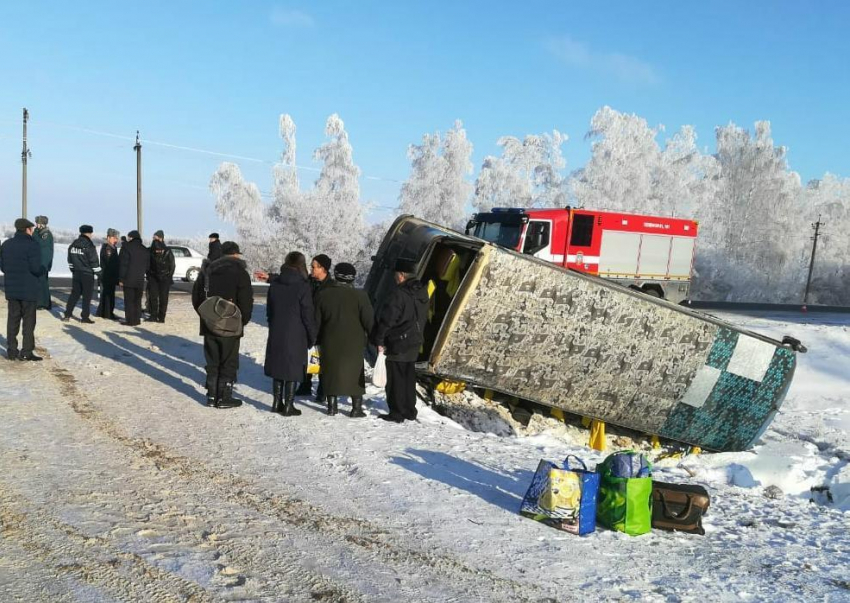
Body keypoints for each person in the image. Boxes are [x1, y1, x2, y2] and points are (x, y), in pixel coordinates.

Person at [192, 241, 253, 408]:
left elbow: (196, 297)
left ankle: (211, 395)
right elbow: (246, 301)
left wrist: (205, 315)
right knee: (228, 361)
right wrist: (242, 321)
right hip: (231, 325)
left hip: (208, 324)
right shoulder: (240, 273)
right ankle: (224, 396)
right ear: (235, 254)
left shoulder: (207, 271)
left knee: (212, 361)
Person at [370, 258, 429, 423]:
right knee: (408, 377)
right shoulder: (422, 292)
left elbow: (388, 320)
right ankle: (410, 410)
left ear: (402, 275)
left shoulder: (399, 294)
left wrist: (379, 339)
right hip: (415, 341)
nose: (395, 277)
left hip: (397, 341)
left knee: (395, 378)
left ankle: (396, 412)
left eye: (396, 274)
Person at [314, 261, 374, 417]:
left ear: (335, 275)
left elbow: (316, 321)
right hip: (354, 342)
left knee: (330, 372)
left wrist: (314, 339)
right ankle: (356, 409)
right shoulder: (360, 296)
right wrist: (377, 340)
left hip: (329, 340)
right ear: (352, 278)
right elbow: (369, 321)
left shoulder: (323, 295)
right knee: (355, 374)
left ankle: (332, 407)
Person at [263, 252, 317, 416]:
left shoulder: (275, 284)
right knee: (292, 368)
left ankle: (276, 402)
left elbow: (269, 310)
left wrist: (273, 324)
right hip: (296, 332)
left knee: (278, 366)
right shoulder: (303, 286)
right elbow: (307, 314)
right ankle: (289, 405)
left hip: (277, 329)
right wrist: (312, 335)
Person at [0, 218, 47, 361]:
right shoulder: (33, 245)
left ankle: (12, 351)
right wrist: (42, 270)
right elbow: (35, 268)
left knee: (12, 320)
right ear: (27, 229)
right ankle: (26, 351)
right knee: (28, 322)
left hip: (12, 290)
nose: (32, 231)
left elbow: (3, 267)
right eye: (31, 229)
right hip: (28, 290)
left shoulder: (6, 245)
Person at [63, 225, 101, 324]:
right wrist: (100, 274)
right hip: (87, 274)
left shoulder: (73, 244)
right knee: (86, 296)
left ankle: (67, 314)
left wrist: (73, 270)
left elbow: (70, 260)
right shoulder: (89, 245)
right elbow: (94, 262)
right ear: (89, 233)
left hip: (76, 273)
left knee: (74, 295)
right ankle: (84, 317)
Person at [119, 230, 149, 326]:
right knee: (137, 300)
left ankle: (130, 320)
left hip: (128, 278)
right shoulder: (145, 249)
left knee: (129, 301)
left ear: (131, 237)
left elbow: (123, 265)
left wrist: (121, 279)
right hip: (140, 279)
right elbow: (148, 266)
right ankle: (137, 319)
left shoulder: (126, 248)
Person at [148, 237, 175, 323]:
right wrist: (149, 275)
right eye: (156, 250)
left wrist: (169, 276)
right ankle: (153, 315)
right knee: (153, 297)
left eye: (159, 250)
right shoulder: (150, 252)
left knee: (163, 298)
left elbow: (172, 265)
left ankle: (162, 316)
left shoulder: (168, 251)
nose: (158, 252)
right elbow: (148, 265)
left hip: (165, 278)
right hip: (153, 277)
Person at [96, 228, 120, 319]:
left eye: (116, 238)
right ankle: (107, 313)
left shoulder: (113, 248)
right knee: (107, 296)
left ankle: (104, 312)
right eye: (114, 238)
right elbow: (109, 262)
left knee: (109, 295)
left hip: (111, 276)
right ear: (109, 238)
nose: (116, 240)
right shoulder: (107, 248)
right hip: (107, 276)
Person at [34, 215, 54, 310]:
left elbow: (45, 250)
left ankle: (43, 303)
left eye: (38, 223)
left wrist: (44, 264)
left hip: (42, 263)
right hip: (38, 261)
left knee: (42, 283)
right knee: (40, 283)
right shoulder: (37, 232)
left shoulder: (45, 234)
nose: (36, 225)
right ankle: (41, 302)